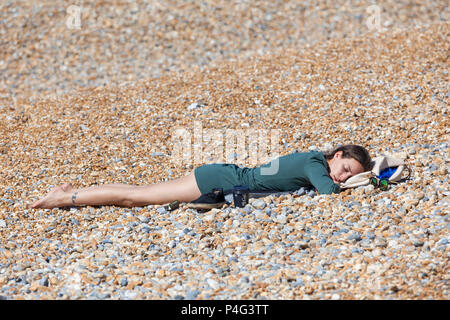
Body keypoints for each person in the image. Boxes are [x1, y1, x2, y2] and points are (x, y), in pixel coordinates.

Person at [30, 144, 372, 209]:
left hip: (223, 174)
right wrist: (371, 181)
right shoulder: (315, 164)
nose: (341, 177)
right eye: (344, 169)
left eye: (348, 176)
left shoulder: (311, 159)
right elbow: (329, 193)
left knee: (139, 191)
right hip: (219, 181)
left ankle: (74, 191)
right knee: (136, 198)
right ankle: (65, 198)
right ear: (337, 155)